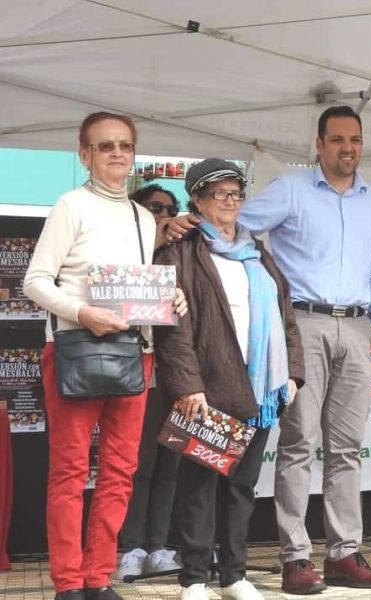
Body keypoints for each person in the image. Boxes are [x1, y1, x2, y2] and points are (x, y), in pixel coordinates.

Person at [164, 106, 371, 592]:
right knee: (297, 445)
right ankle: (296, 557)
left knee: (347, 448)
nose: (346, 148)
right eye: (336, 139)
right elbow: (233, 224)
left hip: (355, 327)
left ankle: (344, 552)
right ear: (319, 143)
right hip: (303, 323)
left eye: (354, 139)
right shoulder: (290, 190)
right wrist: (181, 225)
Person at [23, 112, 186, 600]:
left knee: (121, 471)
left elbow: (138, 286)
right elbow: (33, 282)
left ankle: (98, 577)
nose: (117, 153)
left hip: (135, 352)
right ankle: (69, 582)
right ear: (84, 154)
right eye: (105, 146)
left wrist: (170, 299)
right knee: (70, 472)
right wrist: (81, 312)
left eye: (125, 145)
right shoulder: (70, 205)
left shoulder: (142, 217)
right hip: (76, 348)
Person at [154, 159, 305, 600]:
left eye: (236, 193)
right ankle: (195, 577)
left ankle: (235, 575)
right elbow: (171, 329)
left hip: (259, 391)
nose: (230, 202)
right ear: (197, 201)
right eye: (219, 194)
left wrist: (292, 374)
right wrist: (187, 386)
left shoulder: (259, 254)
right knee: (200, 486)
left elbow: (286, 316)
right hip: (207, 388)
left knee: (241, 487)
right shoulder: (179, 251)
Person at [117, 183, 183, 579]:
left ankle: (159, 545)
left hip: (176, 378)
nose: (165, 215)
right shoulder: (125, 252)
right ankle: (132, 546)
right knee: (137, 466)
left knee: (169, 466)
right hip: (134, 373)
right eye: (156, 207)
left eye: (171, 208)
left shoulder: (183, 255)